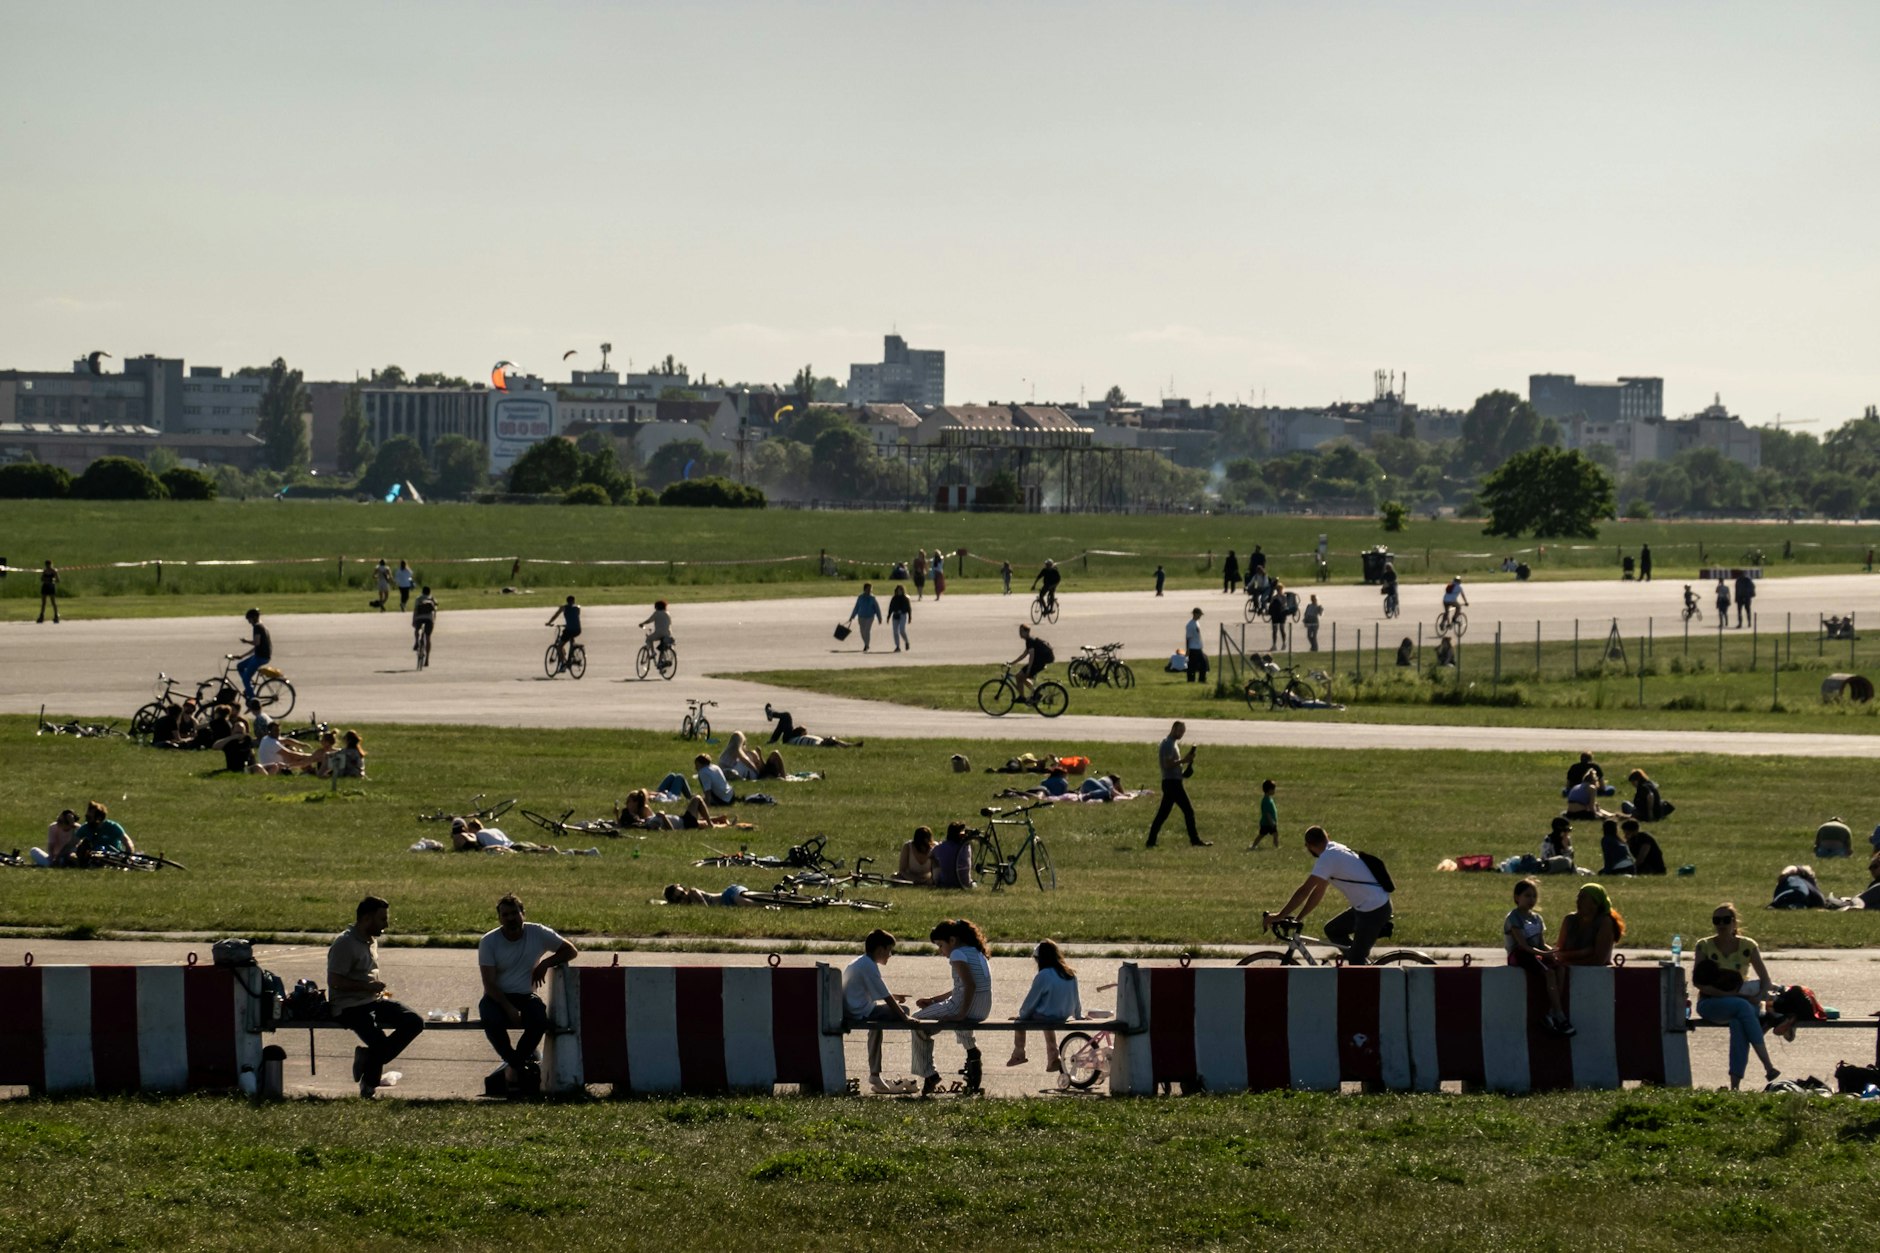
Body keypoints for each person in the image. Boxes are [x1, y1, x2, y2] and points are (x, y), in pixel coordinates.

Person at [478, 894, 578, 1094]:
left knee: (539, 1020)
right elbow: (489, 983)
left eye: (515, 913)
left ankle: (514, 1066)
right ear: (499, 918)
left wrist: (545, 963)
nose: (510, 918)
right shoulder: (489, 941)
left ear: (523, 914)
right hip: (497, 996)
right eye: (505, 915)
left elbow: (571, 951)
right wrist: (509, 1008)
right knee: (492, 1020)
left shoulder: (538, 932)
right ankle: (515, 1064)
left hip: (525, 995)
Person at [328, 896, 425, 1098]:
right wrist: (366, 986)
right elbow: (334, 981)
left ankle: (367, 1056)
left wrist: (372, 989)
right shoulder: (345, 943)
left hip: (373, 1000)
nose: (386, 924)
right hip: (349, 1006)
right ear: (366, 919)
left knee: (414, 1021)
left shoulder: (370, 940)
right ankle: (369, 1086)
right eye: (382, 919)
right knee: (380, 1043)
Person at [1267, 825, 1391, 965]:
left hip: (1374, 910)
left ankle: (1361, 968)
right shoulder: (1334, 849)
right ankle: (1360, 960)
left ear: (1308, 846)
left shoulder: (1327, 858)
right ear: (1327, 837)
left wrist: (1278, 916)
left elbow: (1304, 891)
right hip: (1367, 906)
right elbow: (1318, 892)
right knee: (1332, 930)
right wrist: (1298, 918)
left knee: (1356, 960)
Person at [1692, 902, 1780, 1089]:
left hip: (1745, 1002)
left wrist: (1759, 997)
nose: (1721, 924)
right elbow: (1698, 982)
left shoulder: (1748, 945)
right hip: (1711, 1003)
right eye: (1717, 920)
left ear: (1734, 923)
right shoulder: (1704, 945)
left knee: (1740, 1021)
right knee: (1743, 1008)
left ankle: (1734, 1086)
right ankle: (1768, 1065)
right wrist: (1726, 994)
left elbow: (1765, 980)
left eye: (1725, 920)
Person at [912, 919, 992, 1097]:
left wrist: (960, 1014)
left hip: (965, 1007)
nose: (941, 951)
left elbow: (969, 986)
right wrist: (933, 1000)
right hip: (982, 1008)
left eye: (941, 945)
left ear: (953, 940)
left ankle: (929, 1074)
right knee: (956, 1016)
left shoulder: (957, 954)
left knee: (916, 1022)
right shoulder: (977, 952)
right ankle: (972, 1054)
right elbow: (963, 987)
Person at [844, 929, 915, 1093]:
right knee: (905, 1009)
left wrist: (894, 996)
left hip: (854, 1009)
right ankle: (875, 1074)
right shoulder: (869, 966)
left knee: (877, 1027)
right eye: (889, 950)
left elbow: (877, 992)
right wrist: (904, 1018)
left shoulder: (861, 962)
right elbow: (886, 997)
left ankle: (875, 1073)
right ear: (880, 949)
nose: (890, 955)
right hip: (860, 1012)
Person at [1505, 879, 1574, 1036]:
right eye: (1527, 896)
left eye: (1534, 896)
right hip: (1520, 954)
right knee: (1549, 973)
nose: (1532, 900)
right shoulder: (1514, 917)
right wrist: (1543, 954)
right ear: (1517, 897)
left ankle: (1552, 1011)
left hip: (1535, 953)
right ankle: (1559, 1014)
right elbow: (1523, 945)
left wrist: (1555, 953)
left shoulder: (1537, 918)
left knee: (1560, 968)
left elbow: (1541, 944)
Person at [1007, 939, 1081, 1071]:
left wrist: (1022, 1016)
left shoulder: (1044, 975)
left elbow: (1031, 1001)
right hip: (1064, 1014)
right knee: (1046, 1017)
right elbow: (1076, 998)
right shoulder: (1070, 973)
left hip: (1048, 1016)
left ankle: (1019, 1052)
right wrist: (1078, 1016)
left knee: (1020, 1021)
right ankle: (1053, 1056)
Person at [1145, 721, 1207, 848]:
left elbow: (1174, 765)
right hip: (1171, 783)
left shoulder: (1173, 744)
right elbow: (1167, 765)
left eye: (1183, 732)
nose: (1181, 734)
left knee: (1163, 814)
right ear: (1173, 729)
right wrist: (1184, 760)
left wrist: (1184, 771)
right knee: (1188, 811)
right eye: (1179, 731)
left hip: (1173, 781)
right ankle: (1194, 840)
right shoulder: (1168, 744)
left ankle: (1151, 841)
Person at [1553, 884, 1623, 966]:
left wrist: (1571, 963)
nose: (1578, 901)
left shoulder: (1605, 922)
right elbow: (1558, 953)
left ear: (1595, 903)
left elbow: (1599, 960)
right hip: (1568, 969)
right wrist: (1582, 953)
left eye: (1583, 898)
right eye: (1578, 897)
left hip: (1596, 973)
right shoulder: (1569, 920)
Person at [1007, 623, 1054, 702]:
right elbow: (1024, 655)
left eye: (1022, 631)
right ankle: (1036, 693)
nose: (1020, 633)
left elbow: (1031, 656)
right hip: (1039, 662)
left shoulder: (1030, 641)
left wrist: (1028, 669)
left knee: (1019, 676)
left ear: (1027, 632)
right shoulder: (1030, 640)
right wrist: (1012, 663)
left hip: (1038, 663)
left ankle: (1022, 697)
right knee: (1021, 677)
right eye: (1019, 631)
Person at [235, 608, 272, 701]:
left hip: (261, 657)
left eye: (249, 619)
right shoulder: (262, 626)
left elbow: (257, 643)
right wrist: (242, 656)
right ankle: (249, 688)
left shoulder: (257, 627)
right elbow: (256, 647)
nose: (249, 622)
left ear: (254, 618)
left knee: (246, 678)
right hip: (260, 655)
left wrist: (246, 641)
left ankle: (253, 700)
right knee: (240, 666)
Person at [721, 730, 786, 781]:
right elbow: (746, 760)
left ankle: (782, 775)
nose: (745, 747)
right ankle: (783, 776)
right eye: (744, 744)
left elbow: (760, 766)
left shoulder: (732, 755)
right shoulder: (739, 754)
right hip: (761, 774)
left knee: (775, 753)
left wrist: (759, 756)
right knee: (775, 753)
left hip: (763, 772)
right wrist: (755, 769)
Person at [933, 821, 976, 889]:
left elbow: (931, 854)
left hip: (945, 883)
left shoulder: (941, 847)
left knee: (934, 860)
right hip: (965, 884)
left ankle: (935, 881)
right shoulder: (966, 847)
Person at [545, 595, 581, 671]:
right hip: (578, 629)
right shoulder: (578, 607)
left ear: (567, 601)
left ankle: (564, 664)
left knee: (559, 646)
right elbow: (575, 618)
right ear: (574, 601)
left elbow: (555, 615)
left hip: (569, 630)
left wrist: (549, 623)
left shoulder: (563, 607)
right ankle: (573, 656)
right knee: (571, 638)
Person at [848, 582, 883, 652]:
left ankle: (866, 645)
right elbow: (857, 607)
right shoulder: (860, 597)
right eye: (868, 588)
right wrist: (852, 616)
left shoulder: (872, 598)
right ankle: (866, 643)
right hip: (861, 616)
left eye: (871, 588)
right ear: (864, 589)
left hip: (870, 617)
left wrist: (879, 617)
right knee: (862, 631)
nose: (870, 590)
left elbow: (877, 608)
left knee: (867, 631)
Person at [663, 883, 761, 907]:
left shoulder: (693, 892)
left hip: (728, 894)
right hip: (728, 903)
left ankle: (768, 905)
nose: (683, 896)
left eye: (682, 893)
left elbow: (703, 904)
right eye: (679, 898)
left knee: (743, 901)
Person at [1250, 778, 1280, 851]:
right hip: (1267, 823)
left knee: (1275, 834)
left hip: (1271, 822)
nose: (1274, 791)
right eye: (1273, 789)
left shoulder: (1269, 799)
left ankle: (1276, 847)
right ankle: (1253, 846)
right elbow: (1267, 813)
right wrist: (1271, 822)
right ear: (1269, 790)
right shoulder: (1266, 800)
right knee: (1262, 835)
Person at [411, 585, 438, 658]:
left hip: (419, 618)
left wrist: (413, 620)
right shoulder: (432, 599)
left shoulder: (418, 598)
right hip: (429, 619)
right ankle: (427, 659)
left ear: (422, 591)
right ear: (430, 592)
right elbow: (435, 610)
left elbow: (415, 610)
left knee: (417, 630)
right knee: (428, 637)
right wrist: (433, 620)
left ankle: (416, 641)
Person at [1184, 608, 1208, 683]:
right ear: (1195, 614)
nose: (1200, 616)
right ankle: (1193, 679)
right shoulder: (1190, 625)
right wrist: (1187, 649)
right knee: (1194, 665)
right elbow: (1188, 638)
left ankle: (1199, 679)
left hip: (1198, 647)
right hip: (1193, 647)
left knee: (1201, 663)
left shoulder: (1197, 623)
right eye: (1199, 614)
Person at [888, 583, 913, 653]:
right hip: (895, 615)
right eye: (898, 590)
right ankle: (897, 646)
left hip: (903, 615)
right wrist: (888, 616)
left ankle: (906, 641)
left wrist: (910, 617)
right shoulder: (894, 598)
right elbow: (891, 607)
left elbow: (909, 608)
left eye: (900, 590)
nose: (899, 592)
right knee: (895, 631)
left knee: (902, 630)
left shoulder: (905, 598)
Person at [1267, 580, 1291, 649]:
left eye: (1279, 589)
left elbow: (1285, 605)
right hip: (1275, 615)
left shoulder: (1284, 597)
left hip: (1281, 615)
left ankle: (1284, 643)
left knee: (1281, 629)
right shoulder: (1274, 597)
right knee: (1274, 630)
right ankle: (1274, 644)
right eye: (1277, 589)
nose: (1278, 590)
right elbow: (1271, 605)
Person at [37, 559, 60, 624]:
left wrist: (52, 580)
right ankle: (41, 616)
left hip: (51, 586)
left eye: (49, 565)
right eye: (47, 565)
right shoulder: (45, 571)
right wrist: (45, 579)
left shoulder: (54, 571)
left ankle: (56, 615)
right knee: (43, 602)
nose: (48, 566)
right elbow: (41, 578)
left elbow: (58, 580)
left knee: (53, 602)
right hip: (45, 586)